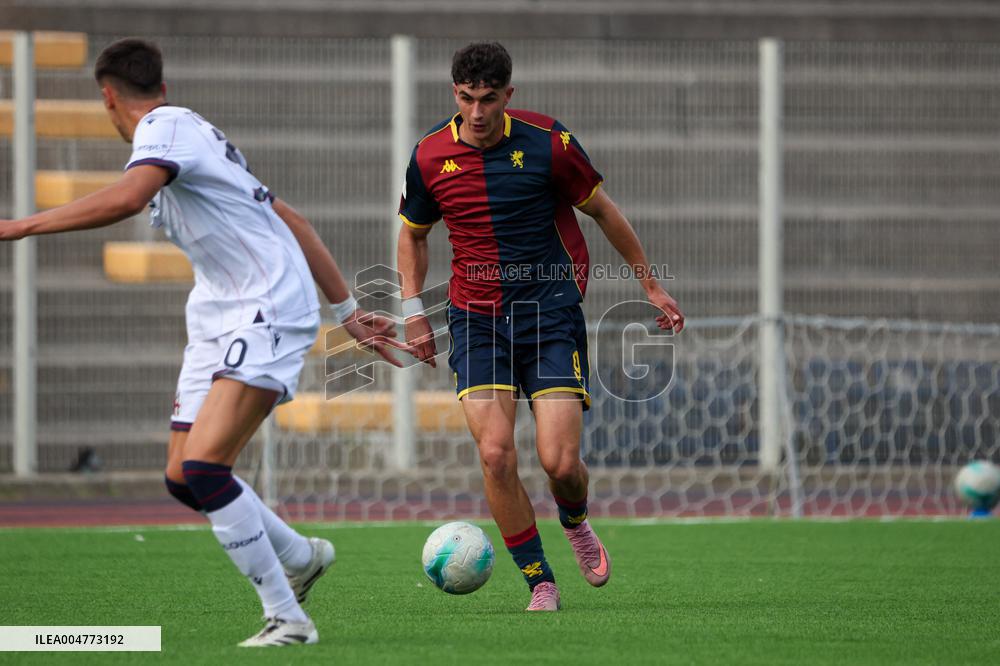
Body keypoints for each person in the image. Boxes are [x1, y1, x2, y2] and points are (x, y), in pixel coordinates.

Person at [0, 38, 411, 646]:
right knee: (182, 475)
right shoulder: (191, 135)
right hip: (218, 314)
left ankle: (288, 618)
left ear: (107, 98)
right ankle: (300, 556)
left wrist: (23, 224)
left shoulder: (162, 130)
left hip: (265, 304)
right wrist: (348, 313)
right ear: (160, 87)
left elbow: (129, 197)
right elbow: (291, 219)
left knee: (205, 466)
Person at [397, 42, 684, 611]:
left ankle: (575, 521)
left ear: (509, 94)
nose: (476, 112)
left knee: (558, 463)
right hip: (476, 319)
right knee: (497, 453)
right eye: (465, 99)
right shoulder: (430, 156)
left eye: (488, 99)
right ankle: (540, 581)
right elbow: (412, 232)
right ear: (454, 93)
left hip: (548, 312)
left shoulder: (549, 142)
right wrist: (412, 312)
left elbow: (603, 210)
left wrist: (649, 284)